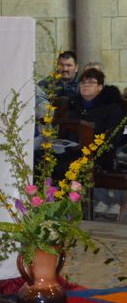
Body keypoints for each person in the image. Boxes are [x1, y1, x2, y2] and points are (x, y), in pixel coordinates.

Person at [61, 68, 125, 218]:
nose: (85, 85)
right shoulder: (73, 105)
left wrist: (93, 150)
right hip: (73, 151)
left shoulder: (112, 108)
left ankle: (87, 204)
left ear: (100, 87)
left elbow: (112, 137)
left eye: (91, 82)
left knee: (72, 166)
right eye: (83, 82)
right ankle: (63, 206)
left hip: (101, 153)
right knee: (49, 159)